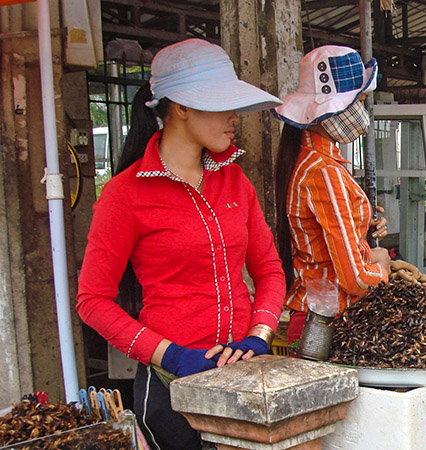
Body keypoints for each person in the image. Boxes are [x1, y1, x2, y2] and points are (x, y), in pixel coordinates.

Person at [76, 39, 286, 450]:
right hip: (171, 387)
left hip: (245, 378)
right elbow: (92, 300)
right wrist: (172, 356)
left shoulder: (235, 181)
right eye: (222, 104)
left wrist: (259, 335)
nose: (233, 118)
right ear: (181, 107)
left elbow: (269, 270)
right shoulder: (124, 195)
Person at [272, 45, 391, 343]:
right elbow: (356, 278)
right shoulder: (325, 172)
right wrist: (383, 267)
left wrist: (363, 227)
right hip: (329, 326)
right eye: (358, 101)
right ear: (334, 109)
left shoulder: (309, 160)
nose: (361, 111)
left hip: (315, 318)